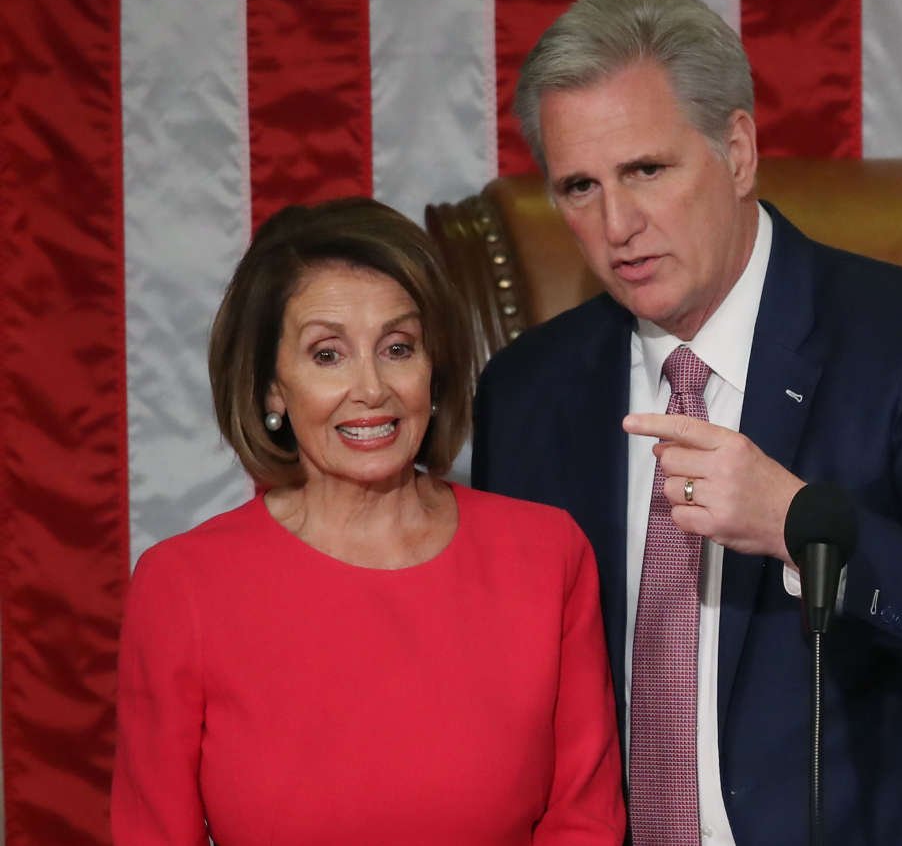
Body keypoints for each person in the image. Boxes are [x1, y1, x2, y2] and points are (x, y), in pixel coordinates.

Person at [471, 0, 902, 846]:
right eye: (579, 186)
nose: (618, 224)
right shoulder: (528, 391)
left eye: (647, 170)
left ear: (738, 151)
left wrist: (798, 523)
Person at [112, 198, 625, 845]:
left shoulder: (547, 554)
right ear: (273, 386)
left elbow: (585, 820)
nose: (372, 388)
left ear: (433, 368)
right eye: (328, 354)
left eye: (398, 347)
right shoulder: (183, 584)